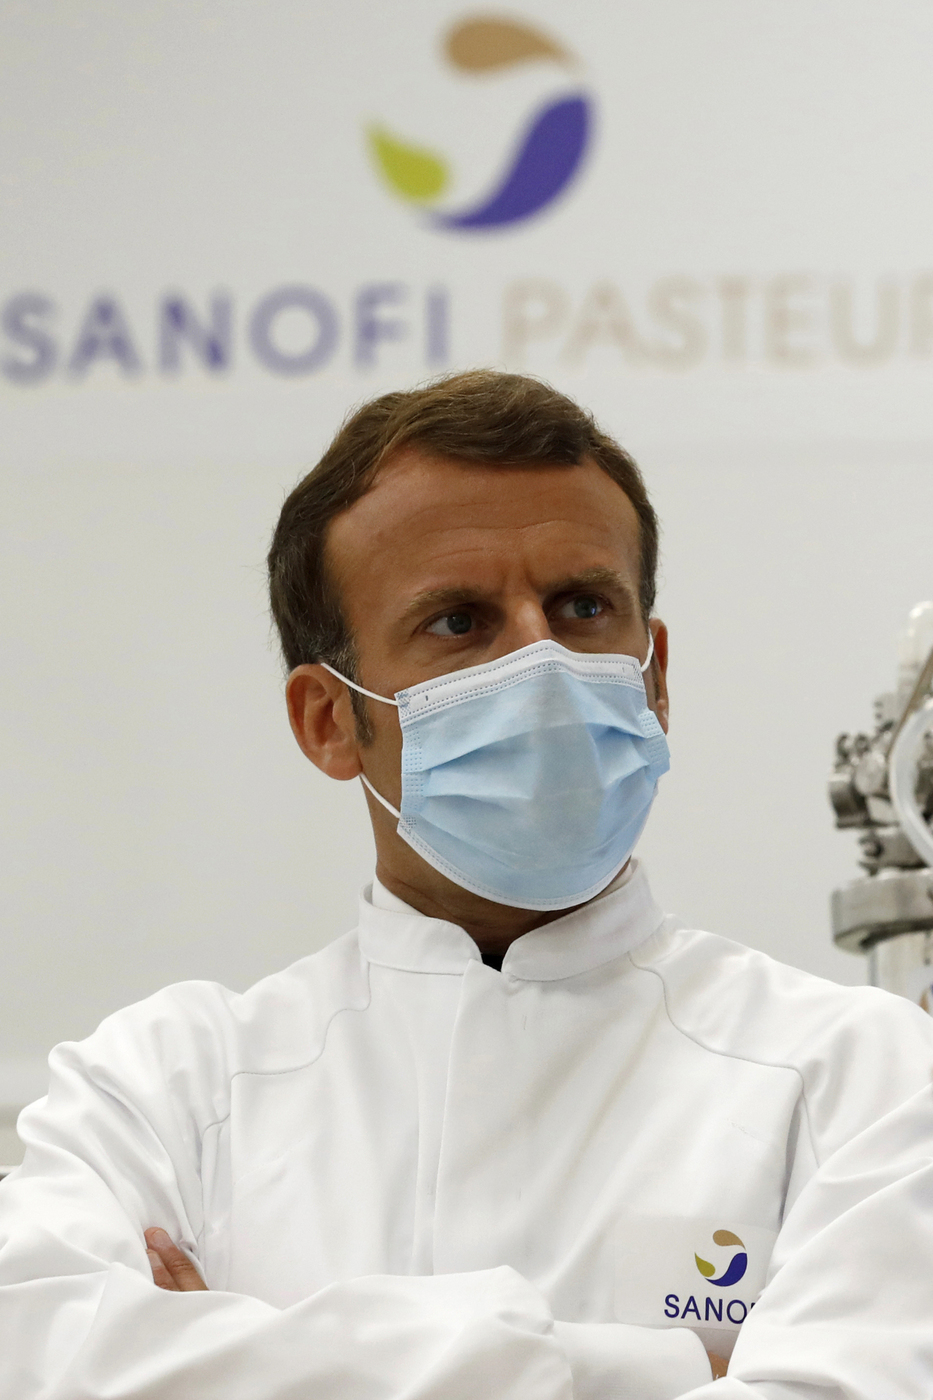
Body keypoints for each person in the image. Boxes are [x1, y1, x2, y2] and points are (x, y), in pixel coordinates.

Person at [1, 371, 932, 1400]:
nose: (541, 658)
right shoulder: (163, 1087)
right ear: (326, 720)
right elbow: (35, 1352)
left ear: (655, 672)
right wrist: (651, 1364)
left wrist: (233, 1353)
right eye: (459, 622)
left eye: (583, 606)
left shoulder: (866, 1077)